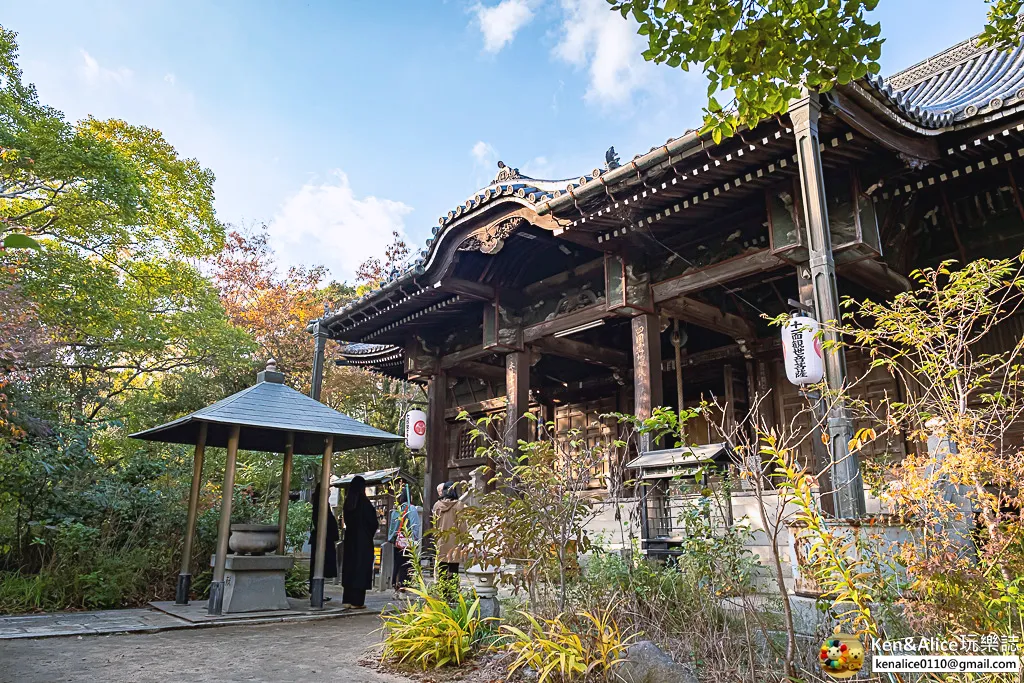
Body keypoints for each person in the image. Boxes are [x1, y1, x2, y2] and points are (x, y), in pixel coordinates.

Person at [341, 475, 378, 609]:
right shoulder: (365, 503)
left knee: (350, 567)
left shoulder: (348, 503)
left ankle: (347, 599)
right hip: (363, 541)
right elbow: (373, 523)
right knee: (361, 568)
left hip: (350, 539)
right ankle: (357, 601)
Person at [432, 481, 466, 588]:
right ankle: (453, 593)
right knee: (453, 569)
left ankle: (443, 592)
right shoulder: (459, 505)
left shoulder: (437, 505)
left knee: (442, 568)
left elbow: (435, 525)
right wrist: (465, 540)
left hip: (441, 541)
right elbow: (462, 526)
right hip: (454, 542)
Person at [388, 484, 421, 596]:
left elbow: (392, 527)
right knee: (406, 565)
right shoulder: (411, 509)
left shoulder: (395, 510)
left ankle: (395, 586)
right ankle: (403, 587)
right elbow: (415, 526)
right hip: (407, 541)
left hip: (397, 541)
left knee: (397, 564)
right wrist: (415, 538)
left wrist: (392, 538)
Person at [308, 483, 339, 597]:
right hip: (323, 538)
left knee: (317, 565)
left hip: (322, 537)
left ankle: (315, 592)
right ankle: (316, 593)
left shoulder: (320, 503)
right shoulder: (321, 504)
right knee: (319, 565)